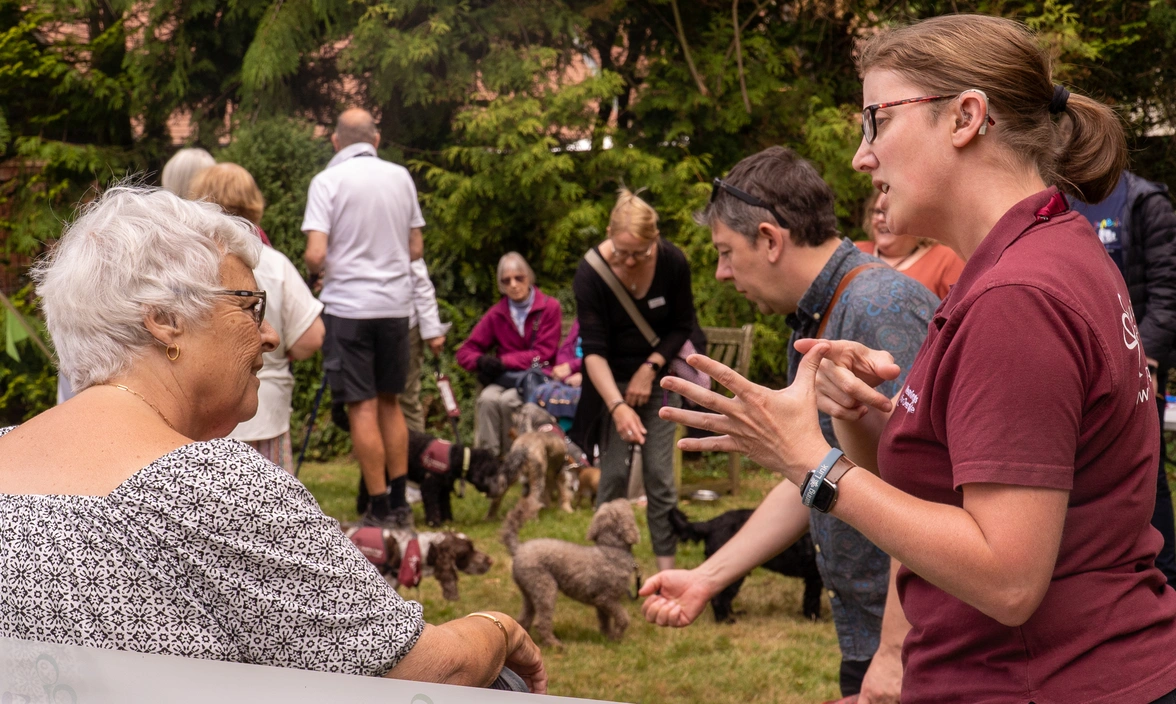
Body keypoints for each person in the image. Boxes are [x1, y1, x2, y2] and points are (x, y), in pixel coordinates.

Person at [645, 14, 1176, 704]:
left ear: (965, 117)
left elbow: (1007, 579)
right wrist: (872, 423)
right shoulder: (1048, 252)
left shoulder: (1018, 294)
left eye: (877, 121)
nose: (863, 157)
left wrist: (811, 461)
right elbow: (994, 480)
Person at [0, 185, 545, 692]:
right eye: (247, 305)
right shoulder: (207, 487)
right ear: (164, 319)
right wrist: (496, 628)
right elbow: (424, 671)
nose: (270, 334)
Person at [644, 147, 939, 702]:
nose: (721, 273)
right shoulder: (820, 314)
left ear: (771, 239)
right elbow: (817, 479)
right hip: (875, 639)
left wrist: (897, 654)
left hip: (913, 646)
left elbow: (924, 489)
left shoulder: (878, 308)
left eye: (726, 253)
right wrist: (709, 576)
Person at [302, 108, 422, 529]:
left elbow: (316, 252)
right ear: (376, 139)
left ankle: (378, 506)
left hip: (349, 307)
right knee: (392, 404)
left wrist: (316, 276)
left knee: (362, 407)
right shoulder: (400, 177)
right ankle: (401, 500)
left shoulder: (326, 182)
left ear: (336, 142)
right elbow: (415, 248)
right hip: (394, 307)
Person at [570, 189, 698, 573]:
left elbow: (682, 324)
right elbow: (592, 349)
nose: (628, 261)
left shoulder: (673, 262)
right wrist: (618, 406)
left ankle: (667, 575)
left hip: (660, 379)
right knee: (611, 478)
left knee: (660, 478)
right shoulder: (591, 272)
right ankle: (606, 571)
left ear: (655, 240)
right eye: (622, 252)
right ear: (609, 231)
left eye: (639, 253)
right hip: (608, 384)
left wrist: (651, 367)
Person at [1073, 171, 1176, 587]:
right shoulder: (1052, 196)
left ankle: (1167, 585)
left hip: (1137, 370)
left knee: (1146, 487)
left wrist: (1145, 360)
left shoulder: (1143, 201)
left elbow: (1169, 293)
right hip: (1081, 373)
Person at [189, 163, 326, 472]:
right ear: (253, 203)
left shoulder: (189, 265)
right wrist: (278, 349)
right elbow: (312, 338)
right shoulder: (274, 263)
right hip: (265, 405)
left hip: (203, 406)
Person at [456, 252, 562, 457]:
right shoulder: (497, 313)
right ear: (501, 285)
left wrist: (503, 361)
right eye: (507, 281)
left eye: (519, 278)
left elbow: (544, 353)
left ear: (529, 277)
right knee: (487, 399)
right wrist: (481, 361)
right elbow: (465, 352)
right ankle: (488, 461)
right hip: (506, 378)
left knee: (508, 402)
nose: (513, 284)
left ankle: (517, 458)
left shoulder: (549, 307)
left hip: (537, 376)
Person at [855, 189, 963, 299]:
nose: (880, 218)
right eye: (877, 212)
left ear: (915, 217)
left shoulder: (947, 261)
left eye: (888, 212)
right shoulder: (856, 252)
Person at [401, 259, 449, 433]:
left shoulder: (401, 234)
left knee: (406, 398)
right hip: (356, 320)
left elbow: (419, 280)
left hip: (405, 324)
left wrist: (432, 330)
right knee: (367, 400)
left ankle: (415, 456)